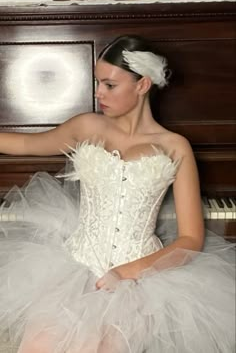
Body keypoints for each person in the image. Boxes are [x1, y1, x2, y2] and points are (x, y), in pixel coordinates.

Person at [0, 35, 234, 353]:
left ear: (142, 85)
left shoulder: (175, 146)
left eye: (110, 85)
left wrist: (127, 273)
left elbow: (190, 239)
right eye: (98, 83)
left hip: (142, 279)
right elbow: (26, 144)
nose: (98, 94)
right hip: (73, 267)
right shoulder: (87, 126)